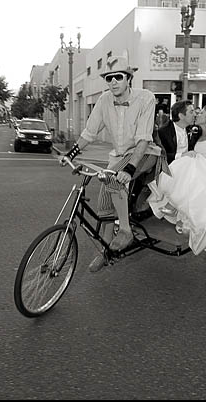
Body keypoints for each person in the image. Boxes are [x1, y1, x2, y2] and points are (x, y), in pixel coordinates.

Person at [60, 54, 169, 272]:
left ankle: (126, 231)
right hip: (119, 156)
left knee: (114, 182)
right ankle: (107, 252)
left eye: (118, 77)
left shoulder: (145, 97)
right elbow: (90, 133)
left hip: (146, 152)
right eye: (109, 78)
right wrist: (70, 154)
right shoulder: (104, 100)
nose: (113, 82)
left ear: (128, 78)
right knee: (104, 207)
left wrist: (129, 169)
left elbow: (144, 138)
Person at [147, 101, 206, 255]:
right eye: (194, 112)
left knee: (190, 163)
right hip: (197, 169)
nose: (197, 114)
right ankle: (174, 205)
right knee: (188, 161)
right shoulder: (195, 132)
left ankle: (172, 205)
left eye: (201, 113)